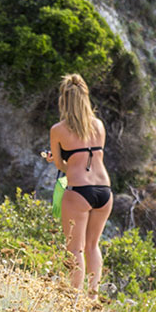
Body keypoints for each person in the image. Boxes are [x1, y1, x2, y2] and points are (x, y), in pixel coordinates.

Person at [42, 75, 113, 295]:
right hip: (104, 191)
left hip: (79, 191)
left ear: (64, 100)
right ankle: (92, 296)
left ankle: (74, 300)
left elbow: (63, 166)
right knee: (93, 246)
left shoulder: (58, 129)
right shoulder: (99, 125)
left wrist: (53, 158)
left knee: (75, 248)